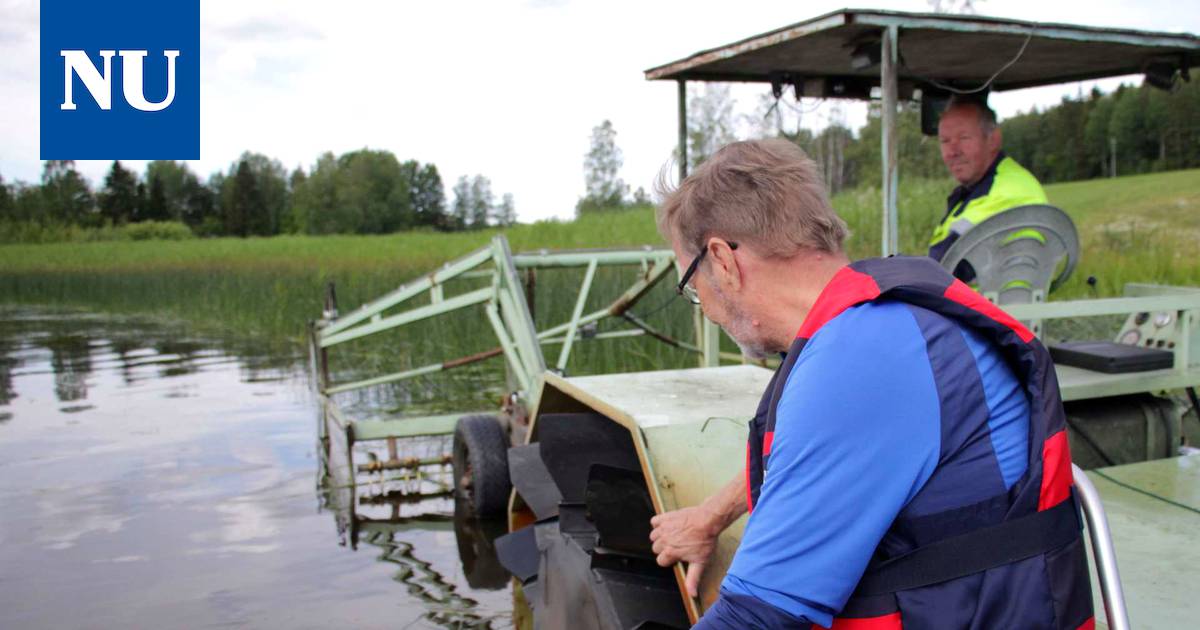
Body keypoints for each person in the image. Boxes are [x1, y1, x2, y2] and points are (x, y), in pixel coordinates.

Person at [650, 139, 1093, 629]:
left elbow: (758, 620)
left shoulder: (859, 358)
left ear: (724, 260)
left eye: (693, 287)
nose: (705, 307)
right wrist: (714, 513)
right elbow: (825, 454)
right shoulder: (882, 323)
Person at [930, 97, 1048, 280]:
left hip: (993, 307)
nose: (953, 151)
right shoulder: (978, 188)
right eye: (945, 141)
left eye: (964, 138)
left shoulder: (1007, 190)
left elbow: (944, 268)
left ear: (993, 139)